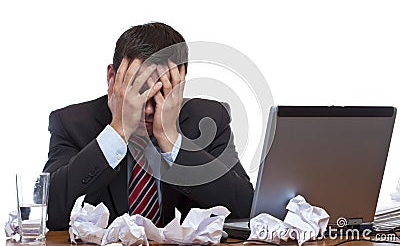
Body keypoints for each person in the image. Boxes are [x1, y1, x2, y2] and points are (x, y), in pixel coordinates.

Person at [43, 22, 254, 231]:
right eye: (139, 91)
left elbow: (245, 208)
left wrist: (172, 141)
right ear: (111, 78)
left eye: (163, 92)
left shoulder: (209, 120)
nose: (151, 109)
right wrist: (118, 130)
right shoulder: (72, 123)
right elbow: (51, 212)